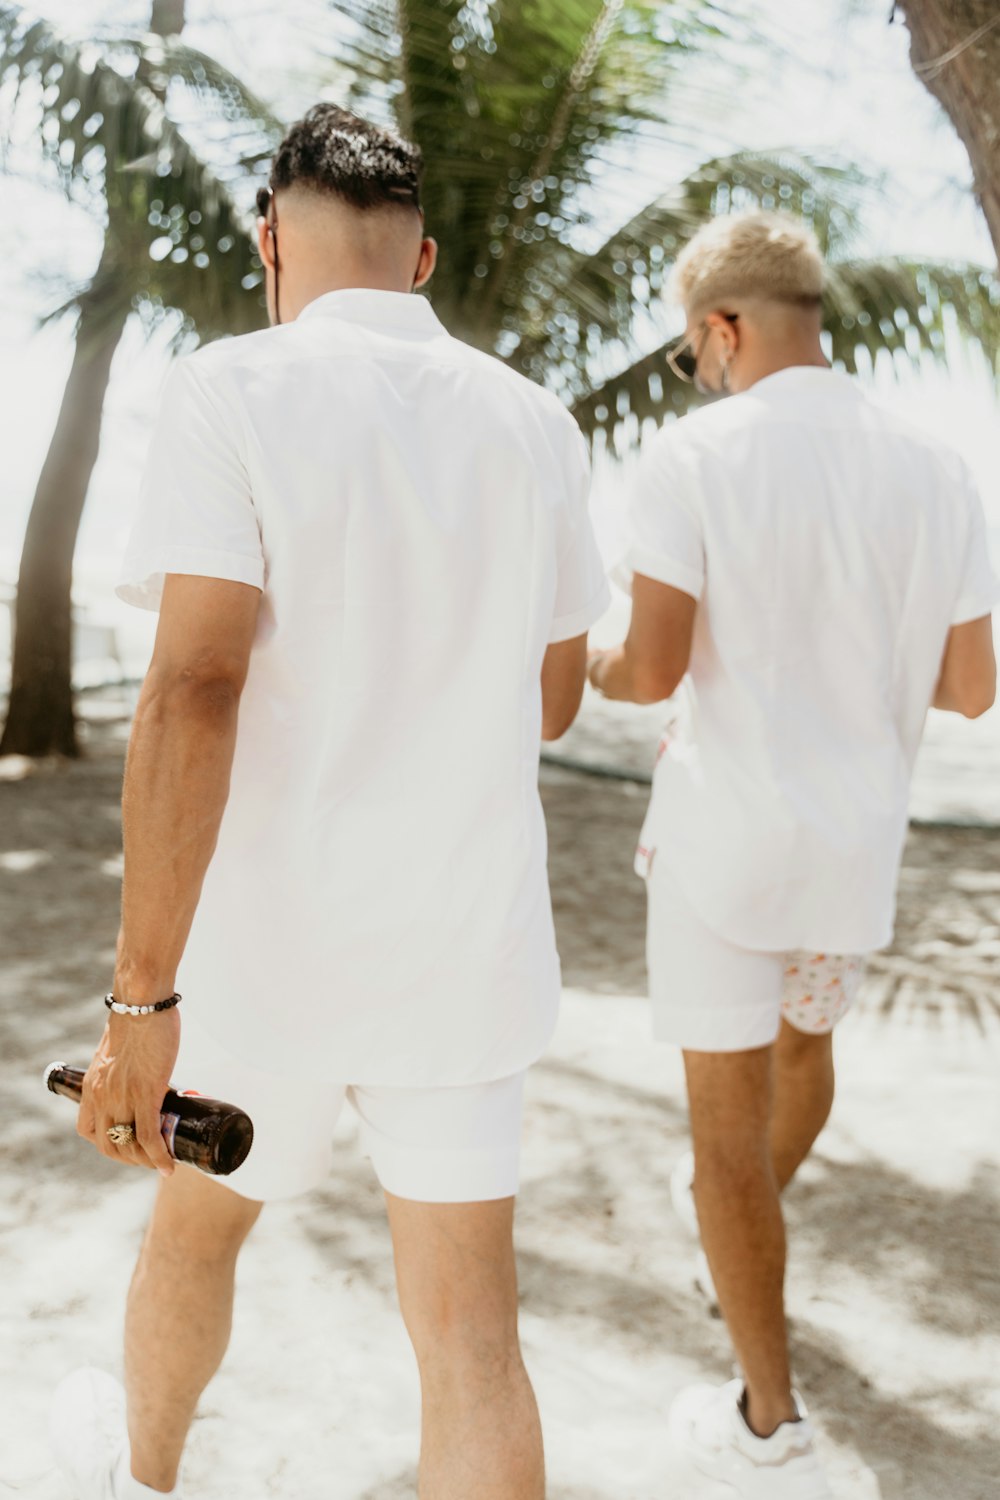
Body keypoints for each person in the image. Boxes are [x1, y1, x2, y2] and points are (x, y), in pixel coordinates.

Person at [50, 104, 609, 1500]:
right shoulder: (536, 424)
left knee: (193, 1241)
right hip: (463, 954)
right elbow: (549, 704)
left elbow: (191, 689)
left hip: (266, 954)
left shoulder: (233, 388)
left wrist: (138, 1001)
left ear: (268, 244)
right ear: (421, 256)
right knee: (473, 1340)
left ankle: (148, 1486)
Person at [588, 210, 998, 1499]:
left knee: (719, 1147)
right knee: (802, 1056)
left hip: (725, 846)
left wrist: (582, 657)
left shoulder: (695, 456)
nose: (693, 371)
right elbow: (974, 686)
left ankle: (770, 1424)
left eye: (689, 348)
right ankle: (742, 1245)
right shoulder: (937, 467)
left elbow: (649, 668)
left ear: (723, 327)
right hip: (855, 842)